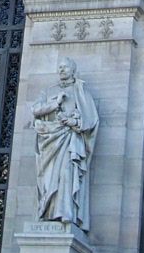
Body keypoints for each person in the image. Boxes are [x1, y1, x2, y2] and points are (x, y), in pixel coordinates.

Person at [31, 57, 99, 230]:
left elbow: (91, 118)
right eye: (59, 67)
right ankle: (48, 213)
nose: (61, 70)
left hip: (69, 139)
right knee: (48, 179)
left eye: (65, 67)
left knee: (67, 174)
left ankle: (66, 213)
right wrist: (56, 103)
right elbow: (35, 110)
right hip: (49, 141)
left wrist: (73, 122)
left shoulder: (80, 90)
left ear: (72, 70)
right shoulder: (49, 91)